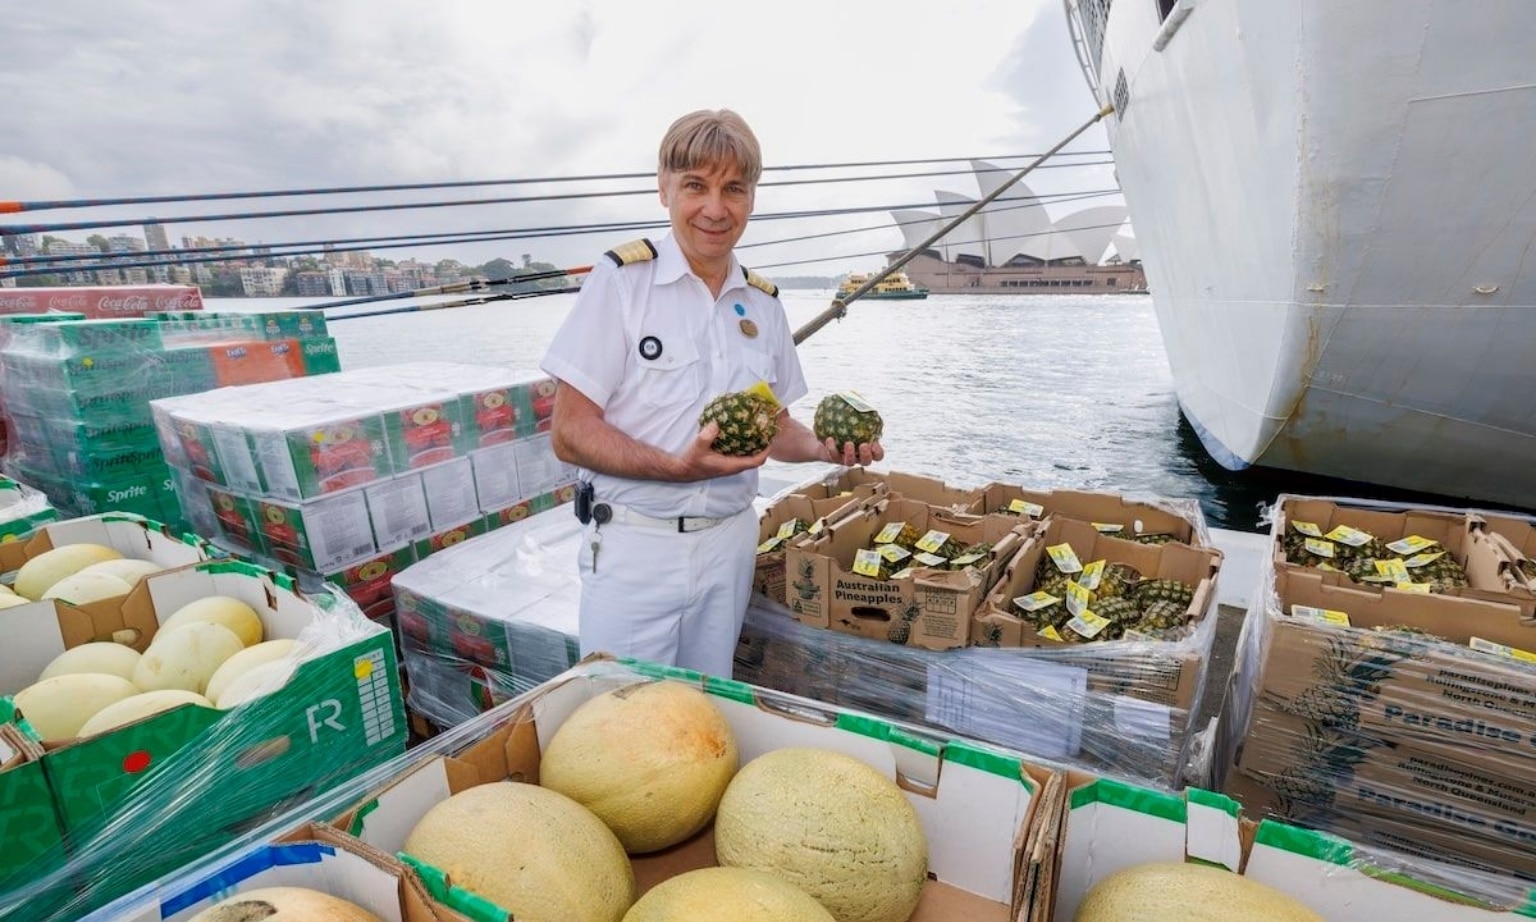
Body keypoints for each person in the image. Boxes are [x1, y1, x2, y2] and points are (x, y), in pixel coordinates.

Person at [541, 108, 883, 678]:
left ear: (752, 197)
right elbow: (570, 432)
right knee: (621, 718)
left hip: (730, 543)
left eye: (734, 189)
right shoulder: (622, 282)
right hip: (634, 546)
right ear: (663, 189)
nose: (715, 208)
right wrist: (676, 468)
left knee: (707, 706)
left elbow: (775, 427)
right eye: (695, 186)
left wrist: (826, 450)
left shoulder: (764, 303)